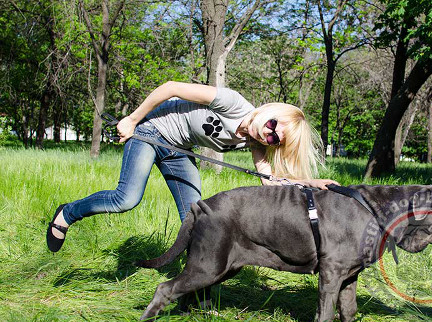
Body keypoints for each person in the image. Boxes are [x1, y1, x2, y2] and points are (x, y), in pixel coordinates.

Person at [46, 81, 338, 253]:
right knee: (127, 198)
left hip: (178, 151)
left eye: (275, 139)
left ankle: (196, 287)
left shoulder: (255, 143)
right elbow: (171, 88)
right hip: (150, 131)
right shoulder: (232, 103)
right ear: (271, 111)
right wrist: (132, 120)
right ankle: (67, 213)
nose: (269, 134)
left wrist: (312, 184)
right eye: (274, 125)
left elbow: (270, 181)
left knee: (197, 219)